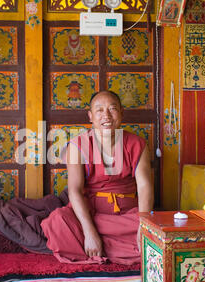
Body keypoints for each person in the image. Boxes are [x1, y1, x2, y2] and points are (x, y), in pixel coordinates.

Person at [41, 90, 154, 265]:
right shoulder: (77, 146)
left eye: (112, 109)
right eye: (99, 110)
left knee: (157, 230)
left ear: (121, 113)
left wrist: (143, 224)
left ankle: (96, 251)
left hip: (127, 216)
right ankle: (115, 248)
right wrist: (89, 231)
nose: (106, 115)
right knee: (58, 221)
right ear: (90, 116)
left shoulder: (137, 144)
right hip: (92, 214)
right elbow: (75, 190)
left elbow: (145, 186)